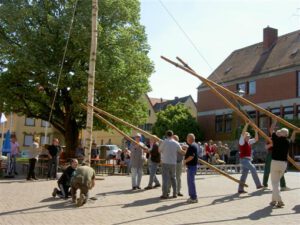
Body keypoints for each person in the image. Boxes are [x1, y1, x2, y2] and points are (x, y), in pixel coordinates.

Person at [269, 120, 297, 208]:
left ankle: (280, 201)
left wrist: (275, 120)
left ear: (282, 134)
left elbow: (271, 130)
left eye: (281, 131)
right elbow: (292, 139)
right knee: (276, 183)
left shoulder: (276, 139)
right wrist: (295, 131)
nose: (279, 132)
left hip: (275, 163)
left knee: (275, 183)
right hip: (283, 165)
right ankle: (273, 200)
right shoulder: (287, 141)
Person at [238, 123, 263, 194]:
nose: (249, 137)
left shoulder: (248, 142)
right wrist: (246, 125)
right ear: (244, 136)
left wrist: (256, 131)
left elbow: (256, 139)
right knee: (253, 168)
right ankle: (258, 185)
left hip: (247, 160)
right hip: (244, 160)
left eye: (249, 136)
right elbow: (243, 133)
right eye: (247, 136)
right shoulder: (242, 141)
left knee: (244, 175)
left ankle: (240, 189)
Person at [159, 130, 185, 199]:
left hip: (165, 162)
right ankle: (175, 193)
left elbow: (159, 150)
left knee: (165, 179)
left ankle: (165, 194)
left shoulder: (164, 142)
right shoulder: (176, 143)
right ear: (172, 135)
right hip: (173, 163)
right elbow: (181, 151)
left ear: (166, 135)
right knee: (173, 178)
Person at [262, 122, 287, 191]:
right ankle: (264, 185)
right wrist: (272, 144)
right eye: (278, 133)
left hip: (278, 156)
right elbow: (266, 147)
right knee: (267, 170)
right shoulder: (270, 138)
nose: (279, 135)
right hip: (270, 155)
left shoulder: (282, 140)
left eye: (280, 134)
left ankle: (283, 186)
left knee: (280, 170)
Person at [184, 133, 199, 203]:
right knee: (190, 182)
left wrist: (185, 161)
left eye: (187, 138)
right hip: (192, 166)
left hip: (191, 166)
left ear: (190, 139)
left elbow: (191, 156)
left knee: (191, 182)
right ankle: (192, 196)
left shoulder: (192, 146)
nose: (186, 139)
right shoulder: (194, 145)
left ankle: (193, 197)